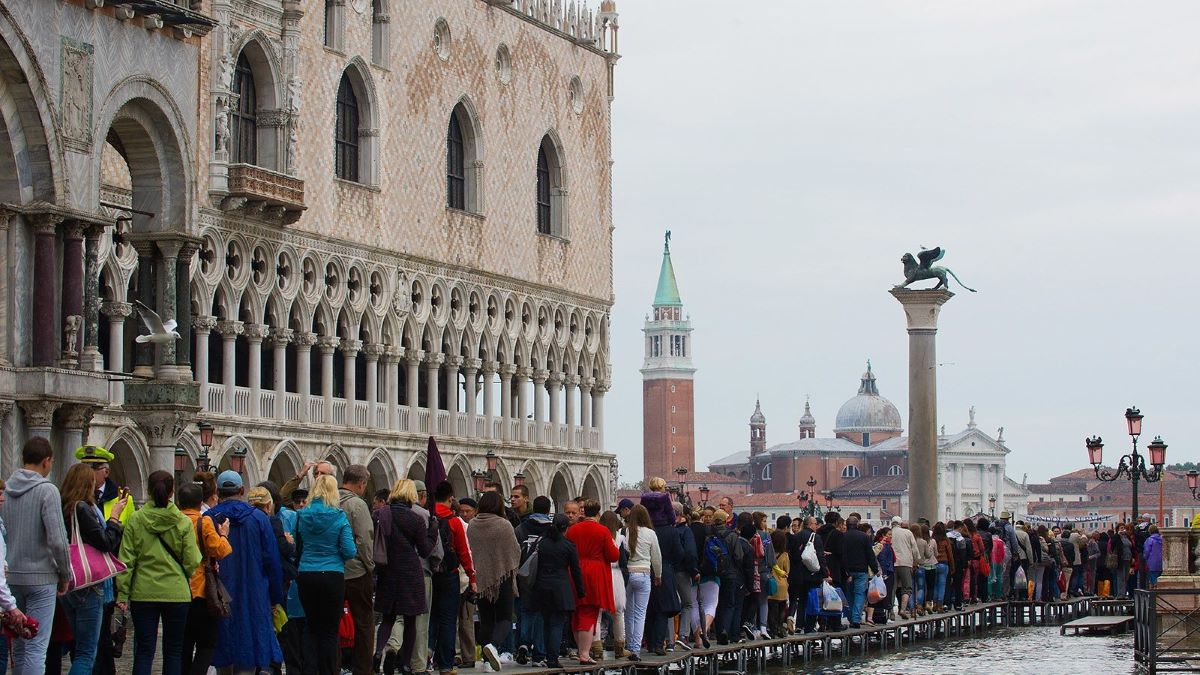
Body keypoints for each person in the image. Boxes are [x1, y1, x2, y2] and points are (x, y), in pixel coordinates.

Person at [117, 470, 202, 675]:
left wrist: (122, 593)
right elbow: (192, 560)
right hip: (176, 592)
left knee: (144, 650)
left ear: (149, 490)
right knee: (173, 650)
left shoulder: (136, 520)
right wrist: (181, 575)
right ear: (172, 492)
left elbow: (126, 561)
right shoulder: (182, 522)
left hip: (143, 591)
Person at [3, 437, 71, 673]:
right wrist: (65, 573)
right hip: (42, 577)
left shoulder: (8, 490)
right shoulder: (47, 490)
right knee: (36, 646)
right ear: (46, 461)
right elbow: (58, 540)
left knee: (20, 644)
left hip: (12, 576)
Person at [208, 470, 285, 674]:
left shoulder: (208, 518)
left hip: (218, 593)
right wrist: (276, 596)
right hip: (255, 592)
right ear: (242, 490)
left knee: (223, 645)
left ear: (218, 491)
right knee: (250, 646)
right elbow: (271, 559)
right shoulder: (260, 518)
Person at [57, 462, 124, 675]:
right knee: (87, 652)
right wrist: (114, 518)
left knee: (78, 646)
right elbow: (106, 542)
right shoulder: (82, 508)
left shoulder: (61, 505)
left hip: (68, 580)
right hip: (88, 583)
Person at [293, 474, 357, 675]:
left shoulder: (302, 515)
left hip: (307, 573)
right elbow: (349, 551)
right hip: (332, 574)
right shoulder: (338, 516)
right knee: (329, 631)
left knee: (311, 627)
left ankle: (309, 670)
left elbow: (298, 546)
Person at [75, 445, 130, 675]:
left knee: (101, 637)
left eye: (94, 468)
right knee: (88, 642)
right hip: (84, 573)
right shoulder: (78, 501)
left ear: (105, 472)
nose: (89, 472)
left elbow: (125, 542)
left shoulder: (120, 498)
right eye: (86, 467)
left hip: (109, 573)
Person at [374, 479, 436, 675]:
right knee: (410, 621)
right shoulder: (415, 519)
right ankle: (406, 663)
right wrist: (433, 532)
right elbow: (425, 550)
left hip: (387, 571)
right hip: (410, 572)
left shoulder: (380, 514)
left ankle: (377, 654)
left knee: (388, 618)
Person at [177, 482, 231, 675]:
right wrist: (224, 534)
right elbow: (220, 550)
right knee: (206, 644)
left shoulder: (172, 521)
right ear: (200, 503)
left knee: (182, 645)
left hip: (176, 590)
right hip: (200, 590)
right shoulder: (203, 522)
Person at [466, 492, 520, 671]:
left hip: (481, 578)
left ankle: (487, 661)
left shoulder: (472, 525)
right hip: (502, 576)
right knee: (504, 618)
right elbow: (515, 551)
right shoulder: (504, 525)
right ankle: (493, 646)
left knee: (486, 620)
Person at [430, 481, 475, 675]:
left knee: (431, 617)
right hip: (450, 574)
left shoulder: (427, 516)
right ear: (451, 498)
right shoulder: (455, 521)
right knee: (448, 619)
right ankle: (446, 664)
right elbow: (464, 552)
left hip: (430, 574)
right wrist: (472, 577)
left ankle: (426, 657)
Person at [336, 465, 375, 675]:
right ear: (361, 484)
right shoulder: (357, 505)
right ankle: (363, 670)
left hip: (333, 571)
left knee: (332, 623)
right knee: (364, 624)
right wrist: (369, 566)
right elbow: (364, 539)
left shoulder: (330, 501)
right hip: (356, 571)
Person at [532, 514, 585, 669]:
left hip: (542, 586)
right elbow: (576, 571)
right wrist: (581, 591)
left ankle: (540, 654)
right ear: (566, 528)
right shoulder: (568, 545)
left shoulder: (542, 543)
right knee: (556, 624)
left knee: (545, 623)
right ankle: (552, 658)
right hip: (561, 588)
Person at [514, 496, 553, 665]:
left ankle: (523, 643)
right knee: (541, 615)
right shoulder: (552, 530)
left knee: (525, 611)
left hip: (524, 576)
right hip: (545, 577)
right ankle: (538, 654)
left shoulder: (521, 528)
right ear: (548, 510)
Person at [622, 504, 660, 661]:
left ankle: (629, 646)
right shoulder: (650, 533)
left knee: (628, 613)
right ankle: (636, 649)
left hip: (628, 574)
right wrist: (658, 574)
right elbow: (656, 557)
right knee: (640, 614)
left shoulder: (624, 531)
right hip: (643, 573)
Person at [598, 510, 629, 656]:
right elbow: (623, 561)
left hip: (601, 574)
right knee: (618, 612)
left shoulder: (598, 536)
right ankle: (619, 647)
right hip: (615, 574)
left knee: (597, 613)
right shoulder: (620, 538)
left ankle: (596, 647)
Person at [841, 514, 878, 627]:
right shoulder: (864, 537)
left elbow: (842, 555)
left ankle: (852, 618)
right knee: (860, 594)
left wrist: (845, 570)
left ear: (847, 525)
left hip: (847, 571)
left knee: (849, 594)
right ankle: (856, 619)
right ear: (857, 525)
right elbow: (870, 555)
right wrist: (875, 569)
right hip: (862, 570)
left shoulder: (843, 536)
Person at [890, 517, 918, 619]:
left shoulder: (889, 533)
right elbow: (914, 549)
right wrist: (916, 561)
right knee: (907, 587)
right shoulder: (907, 533)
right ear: (900, 524)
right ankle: (902, 609)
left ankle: (891, 611)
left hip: (892, 563)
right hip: (905, 562)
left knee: (892, 588)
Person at [767, 530, 789, 636]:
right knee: (782, 608)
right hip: (782, 585)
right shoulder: (784, 555)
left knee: (772, 609)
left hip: (771, 583)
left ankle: (772, 629)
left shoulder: (768, 553)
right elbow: (787, 570)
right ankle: (780, 627)